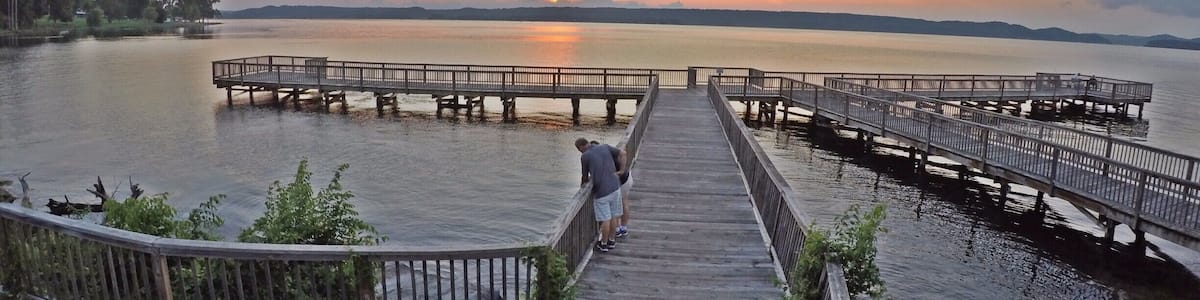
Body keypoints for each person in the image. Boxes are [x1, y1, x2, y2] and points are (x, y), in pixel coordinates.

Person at [576, 138, 626, 253]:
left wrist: (582, 189)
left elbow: (584, 176)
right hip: (615, 187)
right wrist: (622, 171)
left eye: (579, 149)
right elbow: (623, 153)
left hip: (602, 191)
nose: (580, 152)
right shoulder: (605, 147)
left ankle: (603, 244)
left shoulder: (585, 156)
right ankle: (612, 241)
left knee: (605, 219)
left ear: (582, 147)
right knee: (614, 216)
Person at [592, 140, 631, 238]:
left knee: (615, 208)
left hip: (619, 181)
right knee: (624, 202)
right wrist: (623, 170)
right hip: (627, 177)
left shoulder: (601, 158)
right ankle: (623, 227)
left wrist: (620, 171)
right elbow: (623, 153)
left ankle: (616, 229)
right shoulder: (609, 151)